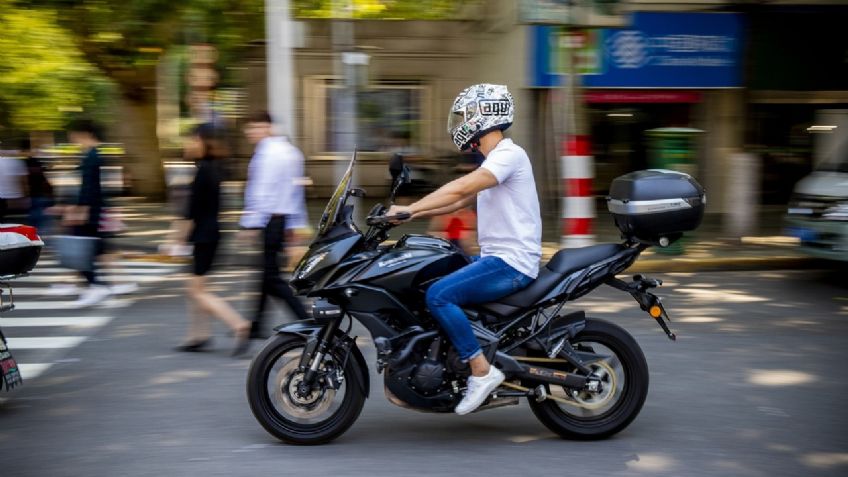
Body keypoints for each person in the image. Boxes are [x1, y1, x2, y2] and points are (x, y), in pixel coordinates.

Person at [387, 84, 542, 415]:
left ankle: (481, 370)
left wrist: (410, 209)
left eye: (464, 114)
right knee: (428, 275)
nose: (460, 122)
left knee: (440, 295)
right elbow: (457, 199)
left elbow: (461, 186)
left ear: (484, 114)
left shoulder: (507, 155)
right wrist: (404, 216)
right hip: (495, 259)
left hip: (511, 264)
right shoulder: (494, 160)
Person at [177, 124, 251, 356]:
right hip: (212, 234)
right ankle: (199, 335)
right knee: (195, 288)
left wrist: (177, 240)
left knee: (198, 291)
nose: (188, 144)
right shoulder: (214, 168)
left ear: (201, 141)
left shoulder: (203, 171)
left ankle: (239, 324)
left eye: (191, 140)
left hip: (203, 236)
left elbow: (191, 213)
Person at [239, 112, 309, 339]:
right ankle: (257, 324)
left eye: (256, 127)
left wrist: (250, 224)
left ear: (268, 127)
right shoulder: (291, 151)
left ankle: (306, 320)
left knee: (272, 278)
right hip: (282, 219)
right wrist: (296, 225)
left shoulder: (267, 153)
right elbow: (296, 192)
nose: (251, 132)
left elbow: (261, 191)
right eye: (249, 128)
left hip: (270, 220)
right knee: (266, 274)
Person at [65, 120, 112, 307]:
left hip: (90, 210)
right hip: (93, 209)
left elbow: (90, 187)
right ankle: (95, 284)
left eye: (74, 135)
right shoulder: (91, 154)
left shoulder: (92, 156)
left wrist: (81, 209)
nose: (72, 139)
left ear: (86, 133)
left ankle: (95, 285)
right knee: (93, 248)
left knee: (81, 249)